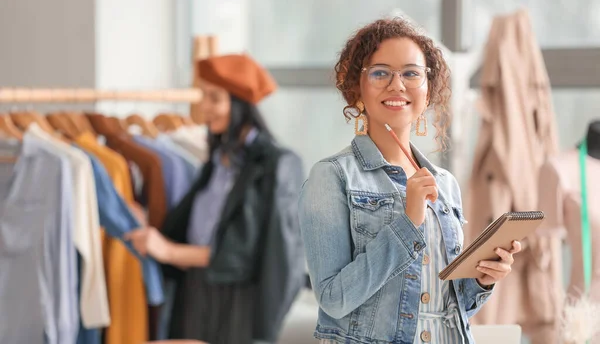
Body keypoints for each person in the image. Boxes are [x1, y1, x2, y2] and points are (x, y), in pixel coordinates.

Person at [298, 18, 522, 344]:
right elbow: (334, 298)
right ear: (357, 88)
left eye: (411, 73)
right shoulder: (331, 176)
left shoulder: (444, 184)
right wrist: (408, 222)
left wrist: (483, 280)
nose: (397, 85)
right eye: (380, 73)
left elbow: (443, 305)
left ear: (428, 89)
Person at [127, 54, 306, 344]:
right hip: (195, 296)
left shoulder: (277, 165)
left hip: (238, 307)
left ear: (240, 104)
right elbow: (198, 233)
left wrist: (169, 251)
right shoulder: (215, 163)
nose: (203, 108)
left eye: (214, 99)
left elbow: (243, 255)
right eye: (203, 97)